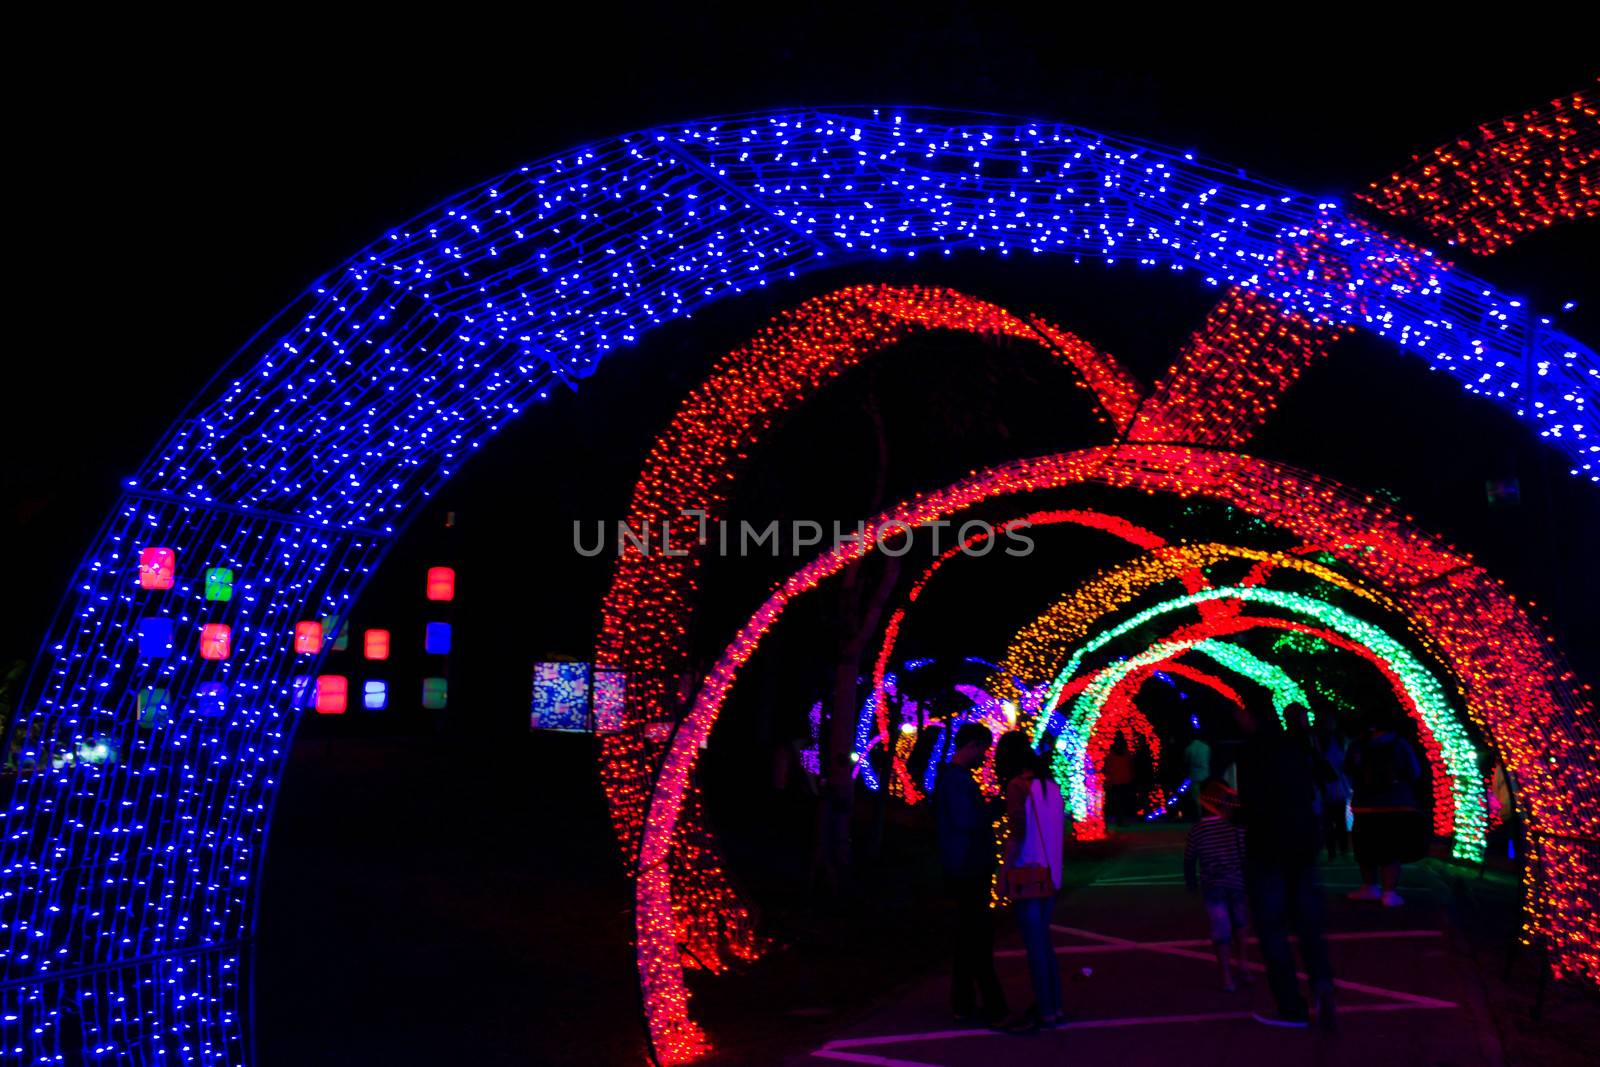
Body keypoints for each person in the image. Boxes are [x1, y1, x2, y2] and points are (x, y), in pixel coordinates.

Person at [1233, 702, 1335, 1029]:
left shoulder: (1251, 752)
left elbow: (1250, 805)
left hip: (1268, 847)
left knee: (1272, 928)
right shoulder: (1296, 745)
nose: (1239, 718)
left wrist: (1231, 811)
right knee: (1308, 924)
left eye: (1242, 712)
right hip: (1303, 841)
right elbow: (1324, 776)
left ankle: (1292, 1009)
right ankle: (1323, 991)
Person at [934, 722, 1008, 1024]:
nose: (984, 757)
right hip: (968, 866)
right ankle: (987, 1003)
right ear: (972, 745)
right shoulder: (956, 780)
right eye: (983, 750)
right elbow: (966, 820)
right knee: (976, 935)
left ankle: (963, 1003)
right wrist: (993, 809)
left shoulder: (954, 778)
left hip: (964, 864)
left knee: (969, 936)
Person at [994, 731, 1066, 1031]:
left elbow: (1018, 832)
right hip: (1051, 873)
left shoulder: (1016, 786)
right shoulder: (1051, 785)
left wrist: (1003, 873)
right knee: (1043, 942)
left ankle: (1045, 1011)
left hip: (1027, 872)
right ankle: (1053, 1005)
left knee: (1034, 945)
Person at [1345, 717, 1425, 906]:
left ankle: (1369, 886)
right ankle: (1390, 893)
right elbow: (1415, 772)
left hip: (1365, 804)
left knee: (1366, 848)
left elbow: (1348, 769)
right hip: (1396, 803)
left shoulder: (1358, 744)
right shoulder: (1400, 743)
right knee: (1391, 848)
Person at [1184, 778, 1252, 991]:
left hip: (1213, 884)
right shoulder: (1237, 826)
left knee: (1220, 928)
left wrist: (1192, 882)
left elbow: (1189, 858)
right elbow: (1247, 854)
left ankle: (1226, 976)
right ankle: (1244, 964)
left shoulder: (1198, 829)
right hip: (1238, 882)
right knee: (1240, 924)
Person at [1313, 716, 1351, 861]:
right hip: (1330, 783)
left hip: (1331, 783)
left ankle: (1337, 850)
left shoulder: (1334, 740)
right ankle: (1338, 850)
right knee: (1332, 819)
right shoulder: (1327, 741)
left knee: (1333, 819)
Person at [1103, 735, 1135, 826]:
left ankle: (1121, 820)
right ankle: (1121, 820)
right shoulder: (1126, 754)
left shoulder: (1112, 755)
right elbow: (1130, 767)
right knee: (1122, 802)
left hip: (1117, 781)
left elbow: (1108, 768)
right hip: (1123, 781)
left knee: (1119, 802)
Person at [1183, 728, 1212, 821]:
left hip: (1194, 776)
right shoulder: (1206, 747)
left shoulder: (1189, 748)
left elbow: (1186, 762)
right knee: (1207, 797)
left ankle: (1201, 817)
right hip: (1205, 775)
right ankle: (1208, 816)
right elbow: (1209, 759)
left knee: (1197, 798)